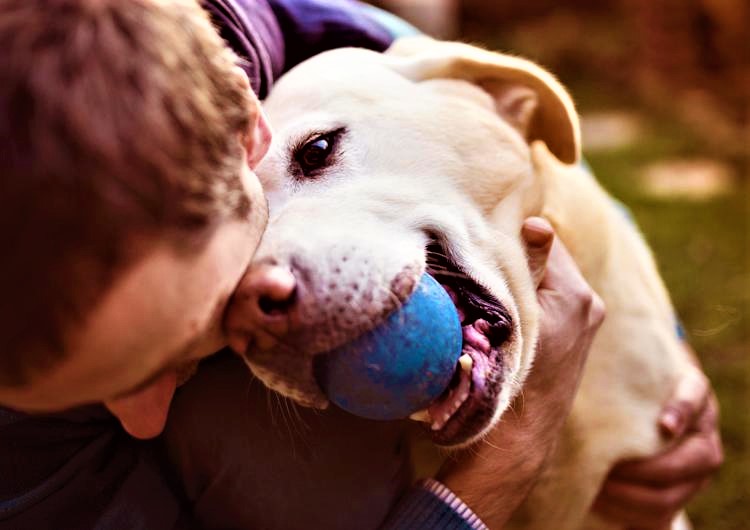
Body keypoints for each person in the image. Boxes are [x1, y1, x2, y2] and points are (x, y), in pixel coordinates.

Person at [0, 0, 721, 528]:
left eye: (315, 156)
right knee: (262, 454)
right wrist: (492, 479)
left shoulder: (340, 50)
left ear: (245, 130)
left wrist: (663, 365)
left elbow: (509, 145)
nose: (143, 418)